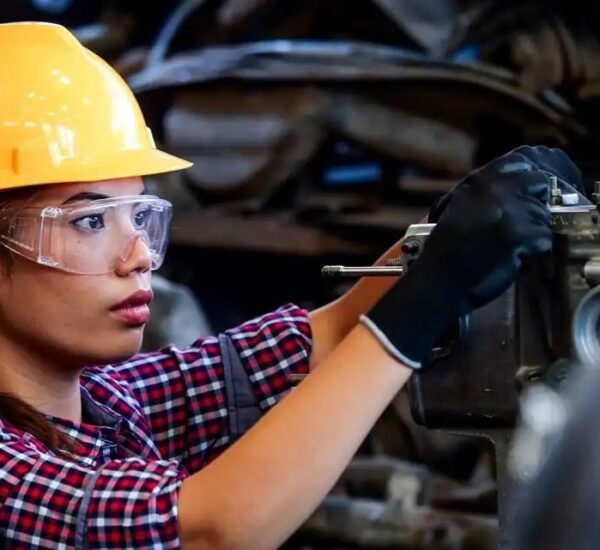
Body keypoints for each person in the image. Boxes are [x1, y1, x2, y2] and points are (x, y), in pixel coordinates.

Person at [0, 21, 567, 549]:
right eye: (90, 221)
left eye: (140, 216)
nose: (140, 256)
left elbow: (322, 336)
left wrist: (446, 231)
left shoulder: (107, 400)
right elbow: (212, 529)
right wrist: (430, 297)